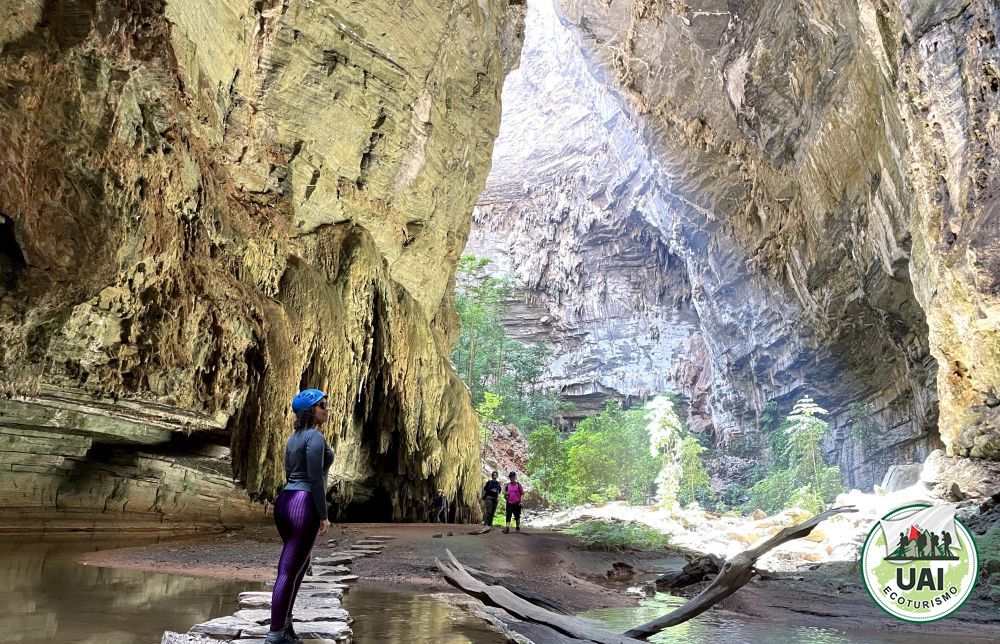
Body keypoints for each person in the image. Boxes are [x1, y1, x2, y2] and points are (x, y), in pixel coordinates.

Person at [265, 388, 334, 644]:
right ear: (310, 411)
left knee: (300, 565)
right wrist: (323, 515)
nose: (327, 409)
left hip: (285, 501)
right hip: (302, 503)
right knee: (288, 569)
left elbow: (290, 473)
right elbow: (315, 479)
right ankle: (275, 635)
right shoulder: (314, 438)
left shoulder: (293, 438)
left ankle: (285, 624)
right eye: (322, 405)